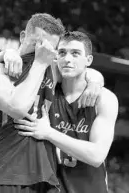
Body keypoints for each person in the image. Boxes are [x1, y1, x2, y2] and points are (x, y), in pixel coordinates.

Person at [0, 13, 103, 193]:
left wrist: (94, 83)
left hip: (47, 179)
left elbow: (84, 71)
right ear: (22, 37)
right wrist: (12, 53)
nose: (41, 51)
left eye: (49, 49)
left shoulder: (51, 68)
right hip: (4, 175)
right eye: (37, 44)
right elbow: (18, 108)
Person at [14, 31, 119, 193]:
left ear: (88, 60)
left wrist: (48, 132)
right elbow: (22, 61)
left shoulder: (104, 99)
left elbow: (97, 156)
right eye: (62, 53)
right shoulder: (46, 91)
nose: (68, 59)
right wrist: (8, 54)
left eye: (76, 53)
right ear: (56, 57)